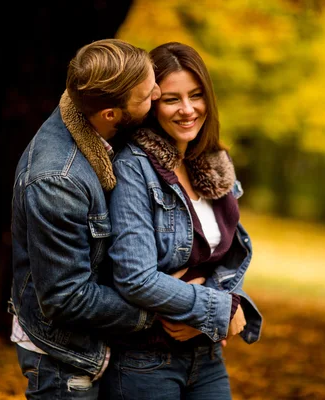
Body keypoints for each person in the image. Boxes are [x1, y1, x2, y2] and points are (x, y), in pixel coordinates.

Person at [101, 42, 263, 400]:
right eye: (172, 99)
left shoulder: (211, 164)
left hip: (205, 355)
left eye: (196, 95)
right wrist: (220, 308)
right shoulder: (134, 168)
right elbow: (136, 279)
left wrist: (202, 315)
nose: (188, 110)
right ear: (151, 104)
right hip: (146, 360)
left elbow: (226, 259)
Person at [9, 39, 162, 399]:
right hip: (63, 360)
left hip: (95, 345)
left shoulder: (96, 126)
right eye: (146, 95)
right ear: (110, 113)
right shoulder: (57, 181)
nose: (157, 92)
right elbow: (66, 297)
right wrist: (162, 309)